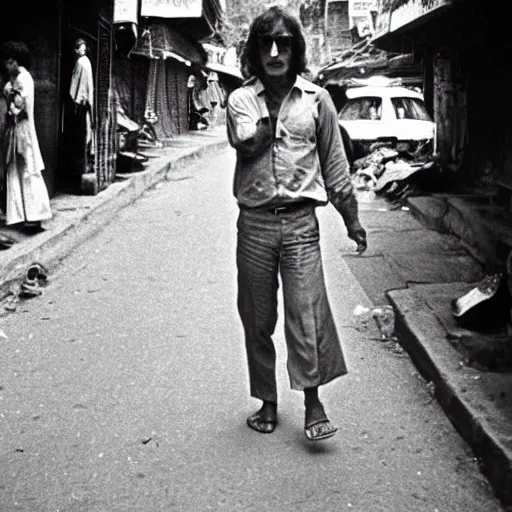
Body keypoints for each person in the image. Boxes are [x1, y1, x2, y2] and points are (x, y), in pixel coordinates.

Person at [226, 6, 367, 441]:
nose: (274, 52)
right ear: (254, 50)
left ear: (295, 49)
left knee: (306, 314)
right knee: (257, 316)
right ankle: (267, 401)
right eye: (265, 43)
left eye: (283, 44)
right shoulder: (240, 100)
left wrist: (352, 219)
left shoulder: (318, 100)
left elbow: (336, 166)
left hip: (302, 224)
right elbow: (246, 145)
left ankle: (313, 401)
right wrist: (268, 120)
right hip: (255, 226)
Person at [0, 41, 52, 231]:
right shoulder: (15, 79)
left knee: (27, 168)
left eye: (9, 60)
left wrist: (9, 99)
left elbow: (19, 108)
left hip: (22, 129)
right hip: (15, 129)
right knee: (17, 168)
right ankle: (22, 215)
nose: (6, 65)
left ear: (15, 61)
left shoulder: (22, 79)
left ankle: (34, 215)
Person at [64, 38, 95, 190]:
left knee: (77, 141)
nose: (80, 51)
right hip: (85, 105)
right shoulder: (87, 62)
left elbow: (74, 88)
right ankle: (82, 171)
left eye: (81, 48)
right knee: (84, 141)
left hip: (79, 107)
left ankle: (77, 177)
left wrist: (74, 101)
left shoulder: (81, 63)